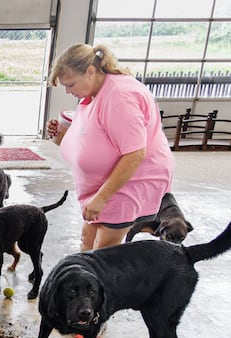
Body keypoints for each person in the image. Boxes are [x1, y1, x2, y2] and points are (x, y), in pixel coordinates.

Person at [46, 44, 174, 251]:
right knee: (87, 241)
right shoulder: (93, 92)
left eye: (70, 84)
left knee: (103, 251)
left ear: (90, 72)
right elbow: (95, 139)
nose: (68, 91)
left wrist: (101, 198)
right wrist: (63, 136)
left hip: (128, 182)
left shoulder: (119, 96)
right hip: (102, 184)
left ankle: (100, 283)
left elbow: (134, 153)